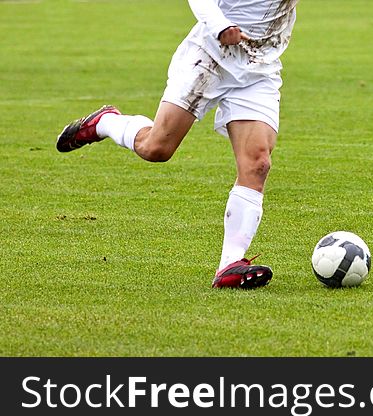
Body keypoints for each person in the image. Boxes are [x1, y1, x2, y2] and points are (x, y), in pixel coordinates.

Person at [56, 0, 301, 289]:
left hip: (259, 66)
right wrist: (220, 24)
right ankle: (106, 123)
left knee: (257, 163)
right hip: (211, 54)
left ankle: (230, 265)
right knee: (156, 148)